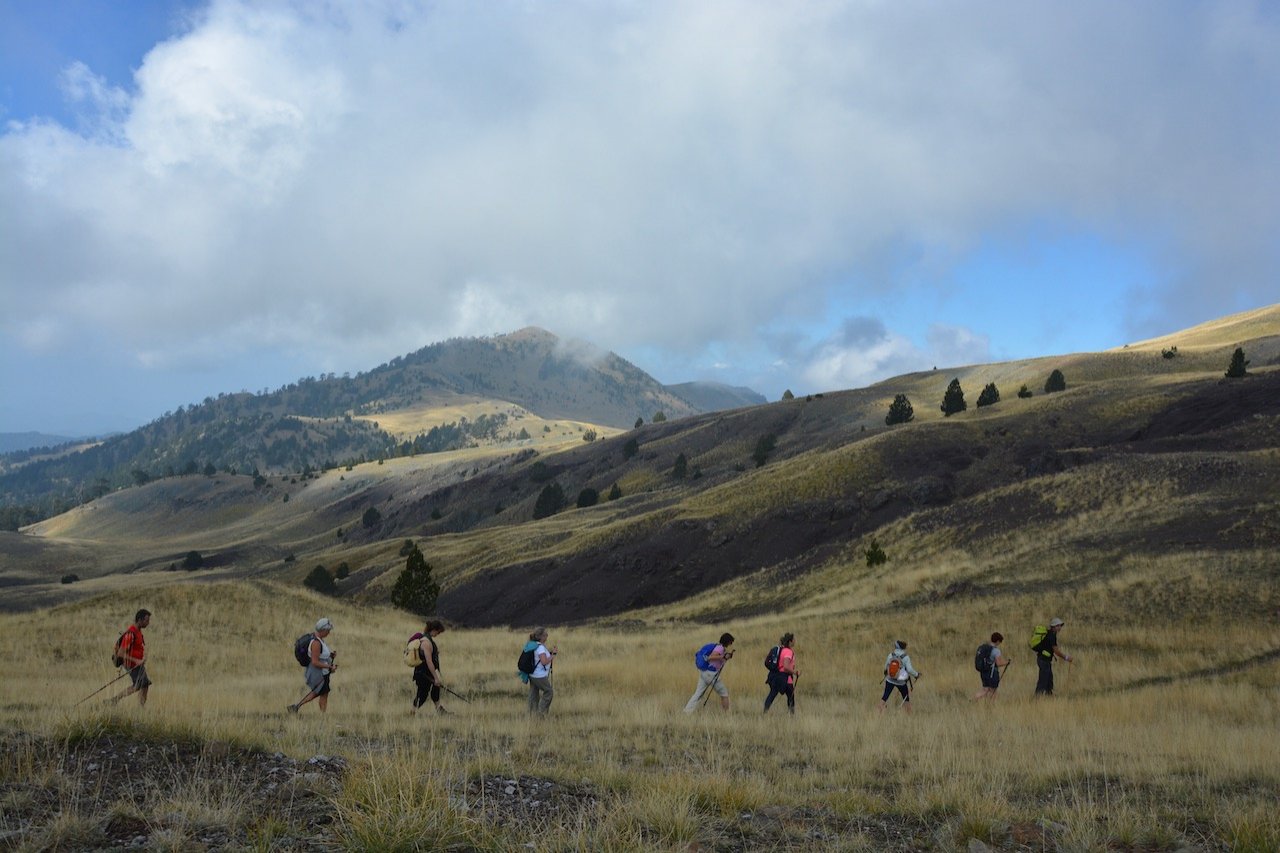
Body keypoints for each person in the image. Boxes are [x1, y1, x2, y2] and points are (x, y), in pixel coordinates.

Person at [288, 618, 337, 713]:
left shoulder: (319, 639)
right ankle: (322, 715)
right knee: (322, 692)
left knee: (320, 692)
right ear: (323, 630)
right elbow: (315, 662)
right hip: (318, 672)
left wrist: (330, 655)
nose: (329, 633)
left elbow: (320, 655)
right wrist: (330, 667)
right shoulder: (316, 643)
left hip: (321, 671)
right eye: (328, 630)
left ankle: (296, 707)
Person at [684, 632, 735, 712]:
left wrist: (726, 657)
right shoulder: (720, 648)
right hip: (710, 674)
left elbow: (717, 660)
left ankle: (686, 712)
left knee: (698, 693)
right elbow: (710, 657)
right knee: (724, 693)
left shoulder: (720, 648)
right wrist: (723, 656)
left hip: (704, 672)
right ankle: (727, 715)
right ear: (727, 641)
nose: (731, 644)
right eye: (731, 642)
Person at [112, 609, 152, 706]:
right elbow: (121, 653)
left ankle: (141, 708)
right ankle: (115, 700)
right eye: (146, 620)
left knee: (145, 685)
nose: (148, 623)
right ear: (139, 620)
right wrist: (137, 660)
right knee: (138, 685)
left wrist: (142, 657)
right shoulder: (130, 633)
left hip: (138, 663)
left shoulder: (138, 632)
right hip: (131, 664)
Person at [410, 620, 449, 715]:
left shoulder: (426, 639)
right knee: (422, 694)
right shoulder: (426, 643)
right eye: (438, 632)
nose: (438, 634)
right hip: (423, 673)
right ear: (434, 630)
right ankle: (412, 712)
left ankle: (439, 709)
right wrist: (435, 677)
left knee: (436, 688)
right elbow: (429, 662)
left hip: (425, 672)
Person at [878, 640, 921, 713]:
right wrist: (917, 675)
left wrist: (887, 674)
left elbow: (885, 668)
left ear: (895, 647)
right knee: (906, 697)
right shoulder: (906, 657)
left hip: (890, 679)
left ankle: (878, 712)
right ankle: (909, 716)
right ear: (903, 648)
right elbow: (910, 670)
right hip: (901, 681)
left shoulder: (890, 655)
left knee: (885, 696)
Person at [1034, 617, 1072, 696]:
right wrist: (1066, 658)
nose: (1060, 628)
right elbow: (1056, 651)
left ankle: (1048, 695)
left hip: (1043, 659)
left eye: (1060, 626)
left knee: (1048, 679)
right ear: (1053, 626)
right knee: (1044, 679)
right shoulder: (1052, 636)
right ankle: (1037, 697)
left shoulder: (1049, 634)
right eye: (1058, 626)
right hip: (1044, 660)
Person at [763, 632, 798, 714]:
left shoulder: (781, 650)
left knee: (772, 694)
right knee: (790, 697)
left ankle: (764, 712)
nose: (795, 641)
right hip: (785, 678)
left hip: (776, 676)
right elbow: (786, 667)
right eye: (793, 640)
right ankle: (792, 716)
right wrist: (795, 673)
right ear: (790, 641)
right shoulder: (788, 652)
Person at [527, 627, 557, 715]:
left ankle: (532, 714)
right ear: (541, 637)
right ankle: (541, 713)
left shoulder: (534, 645)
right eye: (545, 634)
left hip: (532, 674)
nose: (547, 636)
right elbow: (544, 662)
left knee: (534, 694)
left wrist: (550, 654)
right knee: (549, 691)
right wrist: (553, 655)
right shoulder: (540, 647)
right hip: (539, 676)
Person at [973, 632, 1010, 701]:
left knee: (985, 690)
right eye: (1000, 642)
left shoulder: (985, 647)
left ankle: (974, 699)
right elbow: (998, 663)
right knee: (993, 691)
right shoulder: (996, 651)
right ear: (998, 641)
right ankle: (991, 707)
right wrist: (1006, 662)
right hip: (992, 673)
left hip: (984, 672)